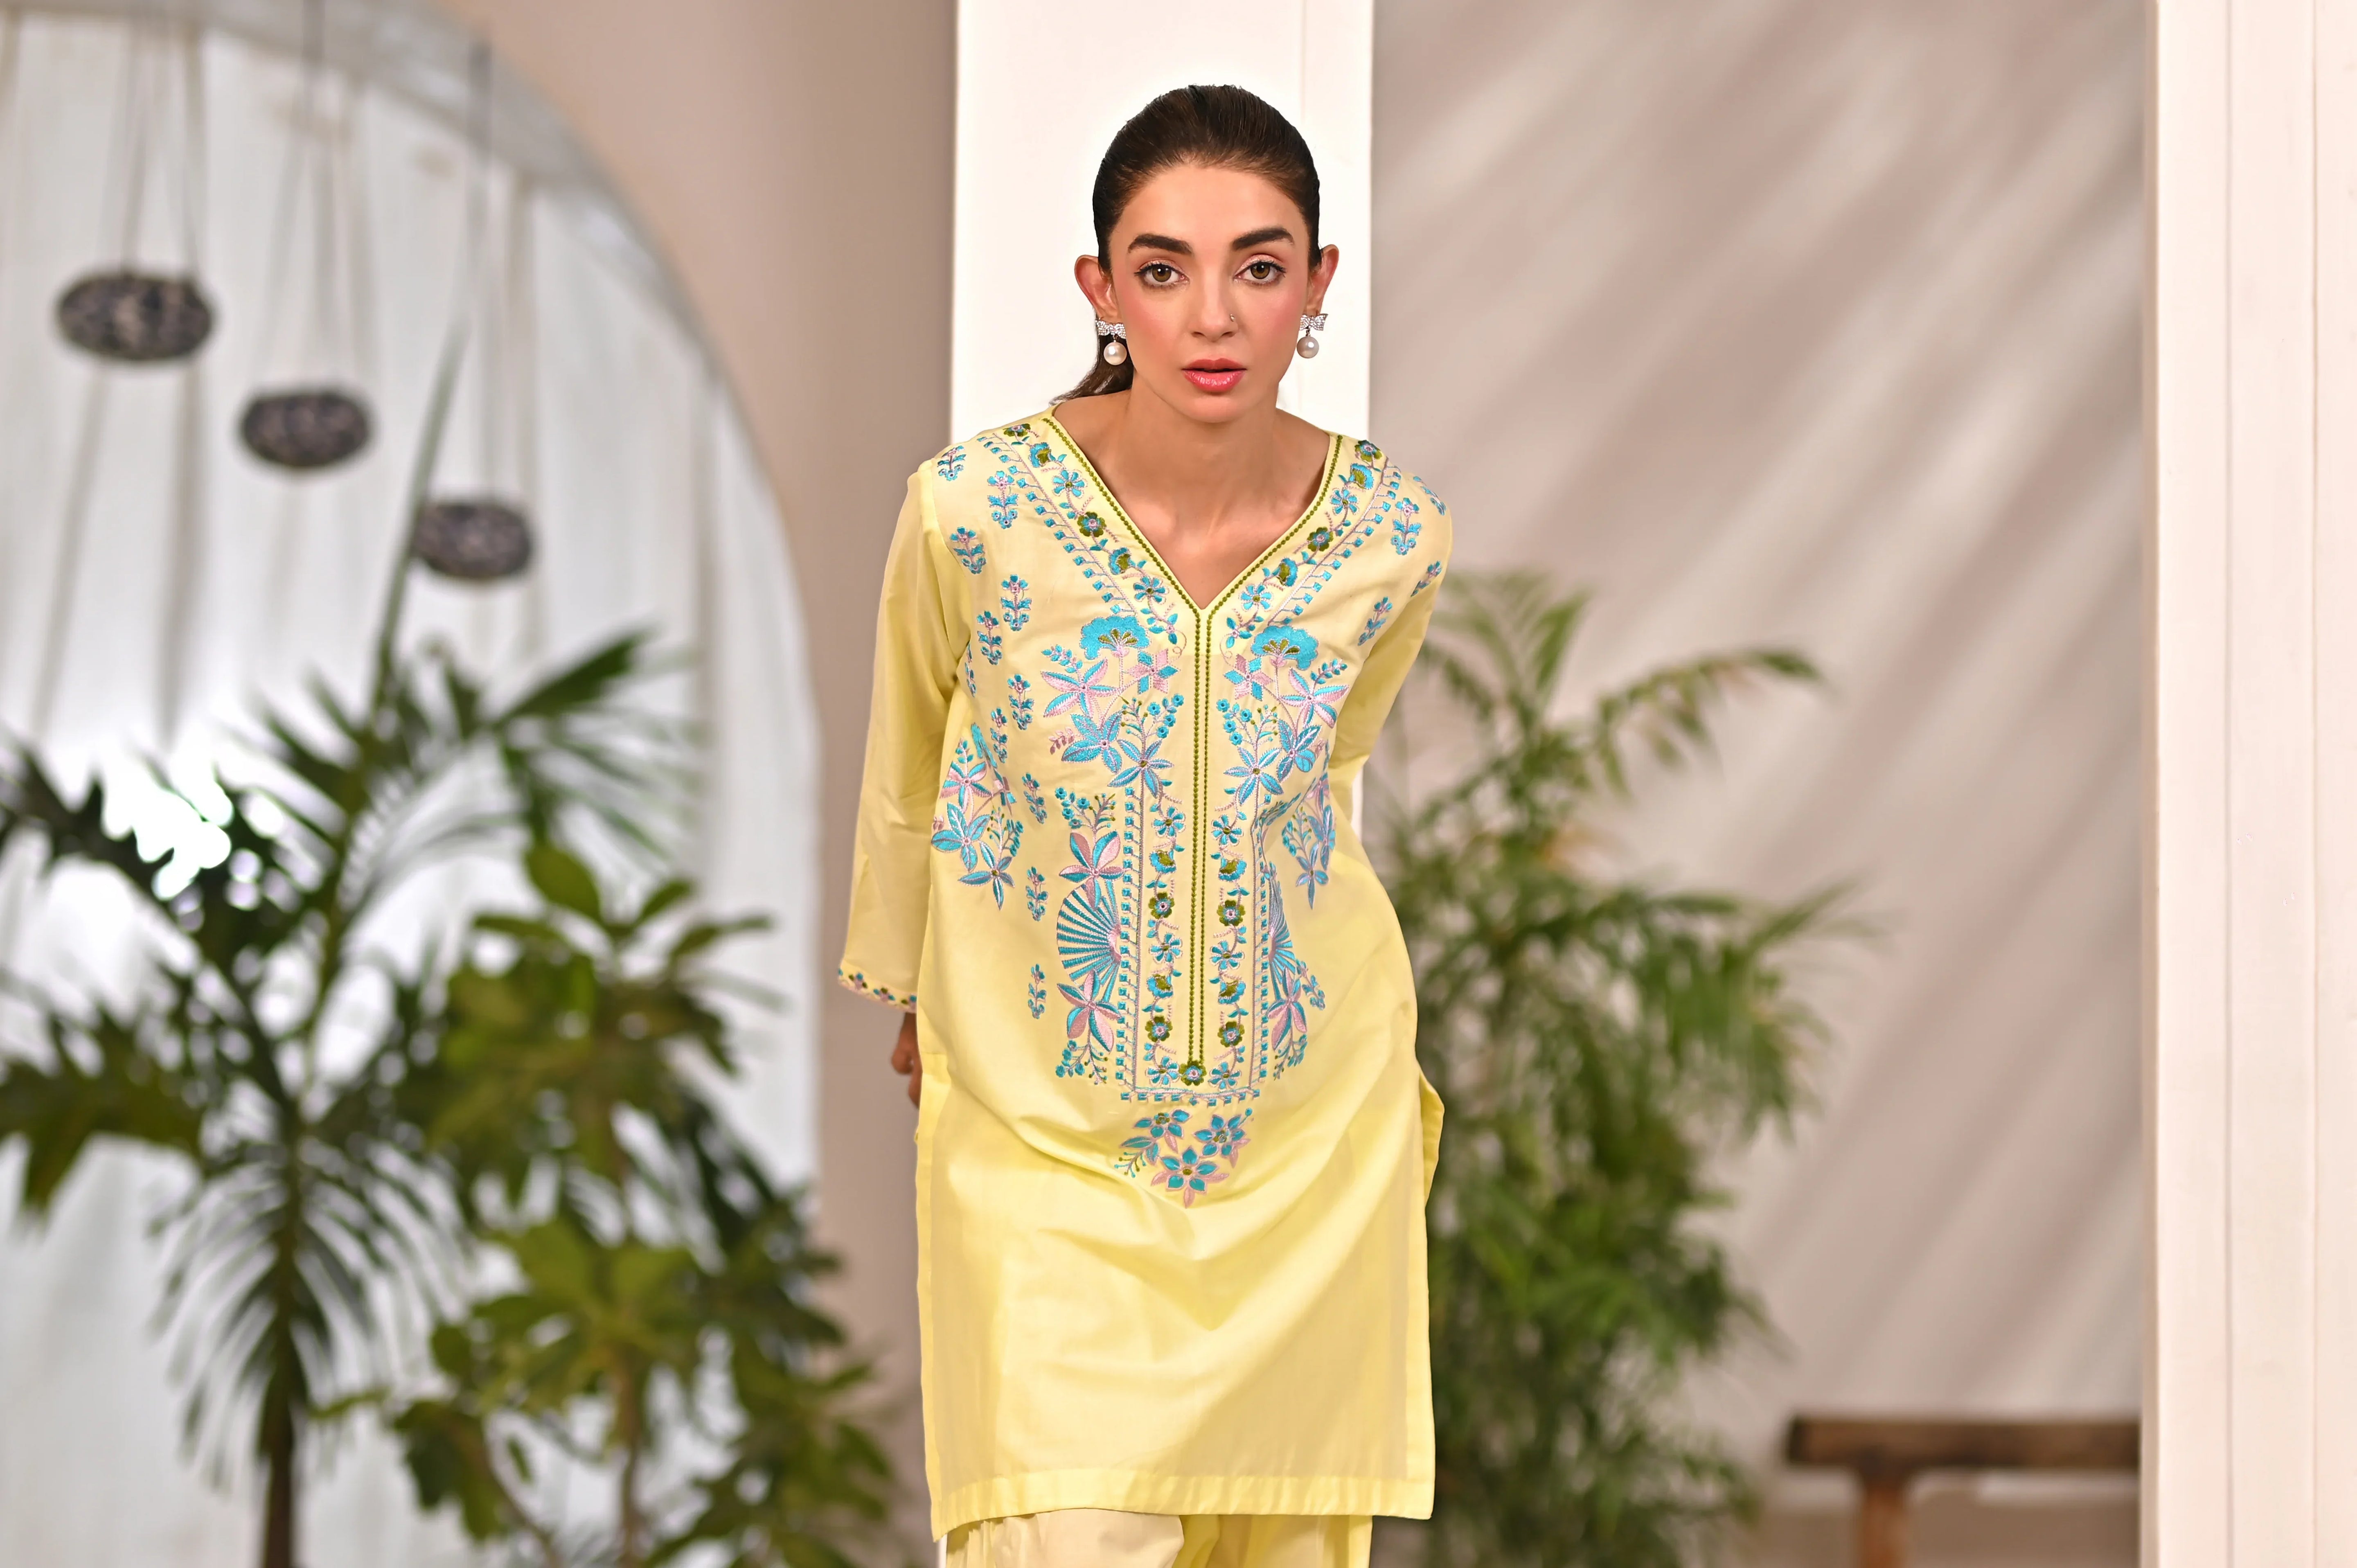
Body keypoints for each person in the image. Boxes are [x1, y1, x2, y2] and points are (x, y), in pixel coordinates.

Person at [839, 84, 1451, 1568]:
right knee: (1065, 1530)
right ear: (1102, 289)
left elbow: (1322, 786)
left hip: (1304, 1145)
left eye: (1260, 265)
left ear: (1318, 284)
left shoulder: (1392, 538)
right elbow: (906, 766)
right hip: (1039, 1140)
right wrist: (913, 986)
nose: (1212, 316)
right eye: (1163, 269)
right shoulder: (973, 514)